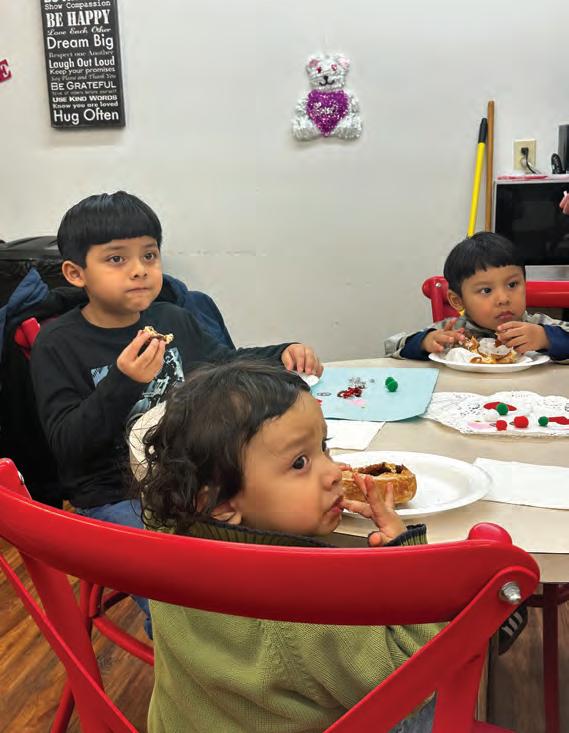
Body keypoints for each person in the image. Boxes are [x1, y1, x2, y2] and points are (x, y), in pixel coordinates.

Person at [30, 191, 321, 633]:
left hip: (191, 476)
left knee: (281, 531)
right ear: (76, 273)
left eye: (149, 254)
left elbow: (224, 366)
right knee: (182, 595)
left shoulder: (173, 319)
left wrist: (280, 354)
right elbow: (69, 447)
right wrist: (124, 382)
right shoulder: (58, 344)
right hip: (114, 495)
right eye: (116, 259)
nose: (139, 269)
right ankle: (193, 655)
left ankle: (280, 631)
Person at [137, 360, 440, 733]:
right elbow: (412, 680)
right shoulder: (302, 600)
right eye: (300, 463)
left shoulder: (166, 540)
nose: (334, 472)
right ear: (220, 503)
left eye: (323, 447)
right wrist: (406, 557)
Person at [385, 231, 569, 361]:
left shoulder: (538, 326)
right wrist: (424, 343)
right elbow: (391, 346)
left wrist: (547, 339)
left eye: (512, 285)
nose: (503, 299)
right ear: (458, 300)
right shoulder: (453, 333)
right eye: (486, 290)